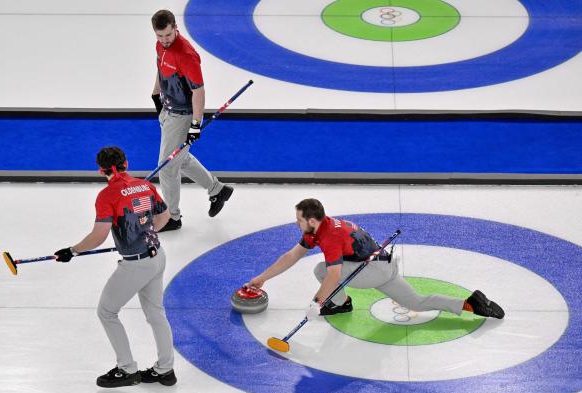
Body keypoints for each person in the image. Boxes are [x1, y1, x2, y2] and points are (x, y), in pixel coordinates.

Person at [246, 198, 505, 322]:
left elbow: (334, 275)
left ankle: (341, 304)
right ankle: (472, 304)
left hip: (372, 270)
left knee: (321, 269)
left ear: (311, 221)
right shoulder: (319, 228)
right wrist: (260, 280)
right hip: (383, 266)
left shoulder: (329, 236)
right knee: (415, 301)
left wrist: (317, 302)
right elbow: (291, 256)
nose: (297, 222)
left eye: (299, 219)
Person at [54, 146, 177, 388]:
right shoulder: (146, 185)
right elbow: (165, 216)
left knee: (107, 312)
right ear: (126, 164)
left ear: (101, 170)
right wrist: (146, 233)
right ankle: (166, 370)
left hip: (136, 265)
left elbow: (99, 236)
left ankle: (127, 369)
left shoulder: (107, 195)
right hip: (157, 256)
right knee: (155, 313)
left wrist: (72, 250)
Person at [150, 9, 233, 232]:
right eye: (160, 36)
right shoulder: (161, 46)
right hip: (167, 109)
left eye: (168, 35)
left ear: (175, 27)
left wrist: (196, 124)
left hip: (182, 114)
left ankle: (172, 217)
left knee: (167, 167)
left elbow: (199, 91)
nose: (165, 41)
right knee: (181, 159)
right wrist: (156, 94)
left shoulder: (186, 54)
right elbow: (160, 68)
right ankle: (217, 189)